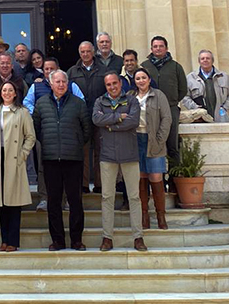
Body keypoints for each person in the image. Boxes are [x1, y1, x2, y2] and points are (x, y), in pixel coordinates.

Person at [33, 70, 91, 251]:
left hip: (73, 158)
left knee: (75, 201)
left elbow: (87, 130)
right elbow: (36, 128)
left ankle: (76, 240)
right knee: (53, 202)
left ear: (68, 84)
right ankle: (57, 240)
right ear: (50, 84)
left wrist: (75, 143)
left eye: (63, 81)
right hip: (50, 158)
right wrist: (49, 143)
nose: (60, 84)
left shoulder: (78, 103)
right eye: (57, 82)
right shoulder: (41, 104)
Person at [92, 72, 145, 251]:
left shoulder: (131, 101)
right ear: (105, 86)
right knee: (107, 197)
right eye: (109, 85)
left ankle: (138, 237)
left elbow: (133, 121)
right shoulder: (100, 102)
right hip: (107, 155)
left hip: (129, 154)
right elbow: (96, 119)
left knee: (134, 197)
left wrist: (110, 125)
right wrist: (118, 117)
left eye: (115, 83)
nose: (112, 87)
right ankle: (107, 237)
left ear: (120, 84)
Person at [23, 57, 84, 211]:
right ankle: (44, 198)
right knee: (45, 168)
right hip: (45, 136)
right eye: (46, 69)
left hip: (69, 136)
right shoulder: (36, 87)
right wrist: (38, 112)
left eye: (52, 68)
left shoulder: (71, 86)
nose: (49, 71)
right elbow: (26, 103)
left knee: (67, 170)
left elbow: (81, 104)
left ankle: (68, 199)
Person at [0, 81, 36, 252]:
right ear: (0, 93)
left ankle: (13, 241)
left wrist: (23, 154)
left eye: (10, 90)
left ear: (15, 94)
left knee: (14, 203)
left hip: (14, 159)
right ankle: (4, 240)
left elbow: (30, 137)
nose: (7, 93)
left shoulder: (22, 113)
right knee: (0, 203)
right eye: (4, 90)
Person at [141, 36, 187, 189]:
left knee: (172, 145)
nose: (158, 49)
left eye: (161, 46)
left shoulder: (175, 67)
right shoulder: (145, 66)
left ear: (166, 48)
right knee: (150, 144)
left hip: (171, 109)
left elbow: (183, 89)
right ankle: (150, 183)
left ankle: (174, 183)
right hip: (149, 110)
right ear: (151, 49)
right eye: (155, 46)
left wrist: (170, 102)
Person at [132, 67, 172, 231]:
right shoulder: (130, 97)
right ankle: (144, 215)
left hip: (153, 141)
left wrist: (160, 140)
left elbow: (167, 118)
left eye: (143, 78)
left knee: (156, 177)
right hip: (136, 141)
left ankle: (161, 215)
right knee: (141, 178)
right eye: (137, 79)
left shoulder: (158, 95)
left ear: (149, 80)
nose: (141, 81)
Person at [67, 41, 106, 193]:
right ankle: (83, 184)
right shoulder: (71, 72)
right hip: (80, 117)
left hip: (99, 116)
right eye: (82, 52)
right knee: (82, 152)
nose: (85, 54)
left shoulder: (103, 70)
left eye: (88, 51)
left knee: (100, 151)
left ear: (93, 51)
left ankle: (99, 184)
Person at [181, 49, 229, 122]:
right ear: (199, 61)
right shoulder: (190, 78)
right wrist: (195, 109)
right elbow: (184, 96)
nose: (205, 60)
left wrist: (225, 108)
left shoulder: (223, 76)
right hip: (200, 119)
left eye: (208, 58)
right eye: (202, 58)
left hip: (221, 118)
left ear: (212, 61)